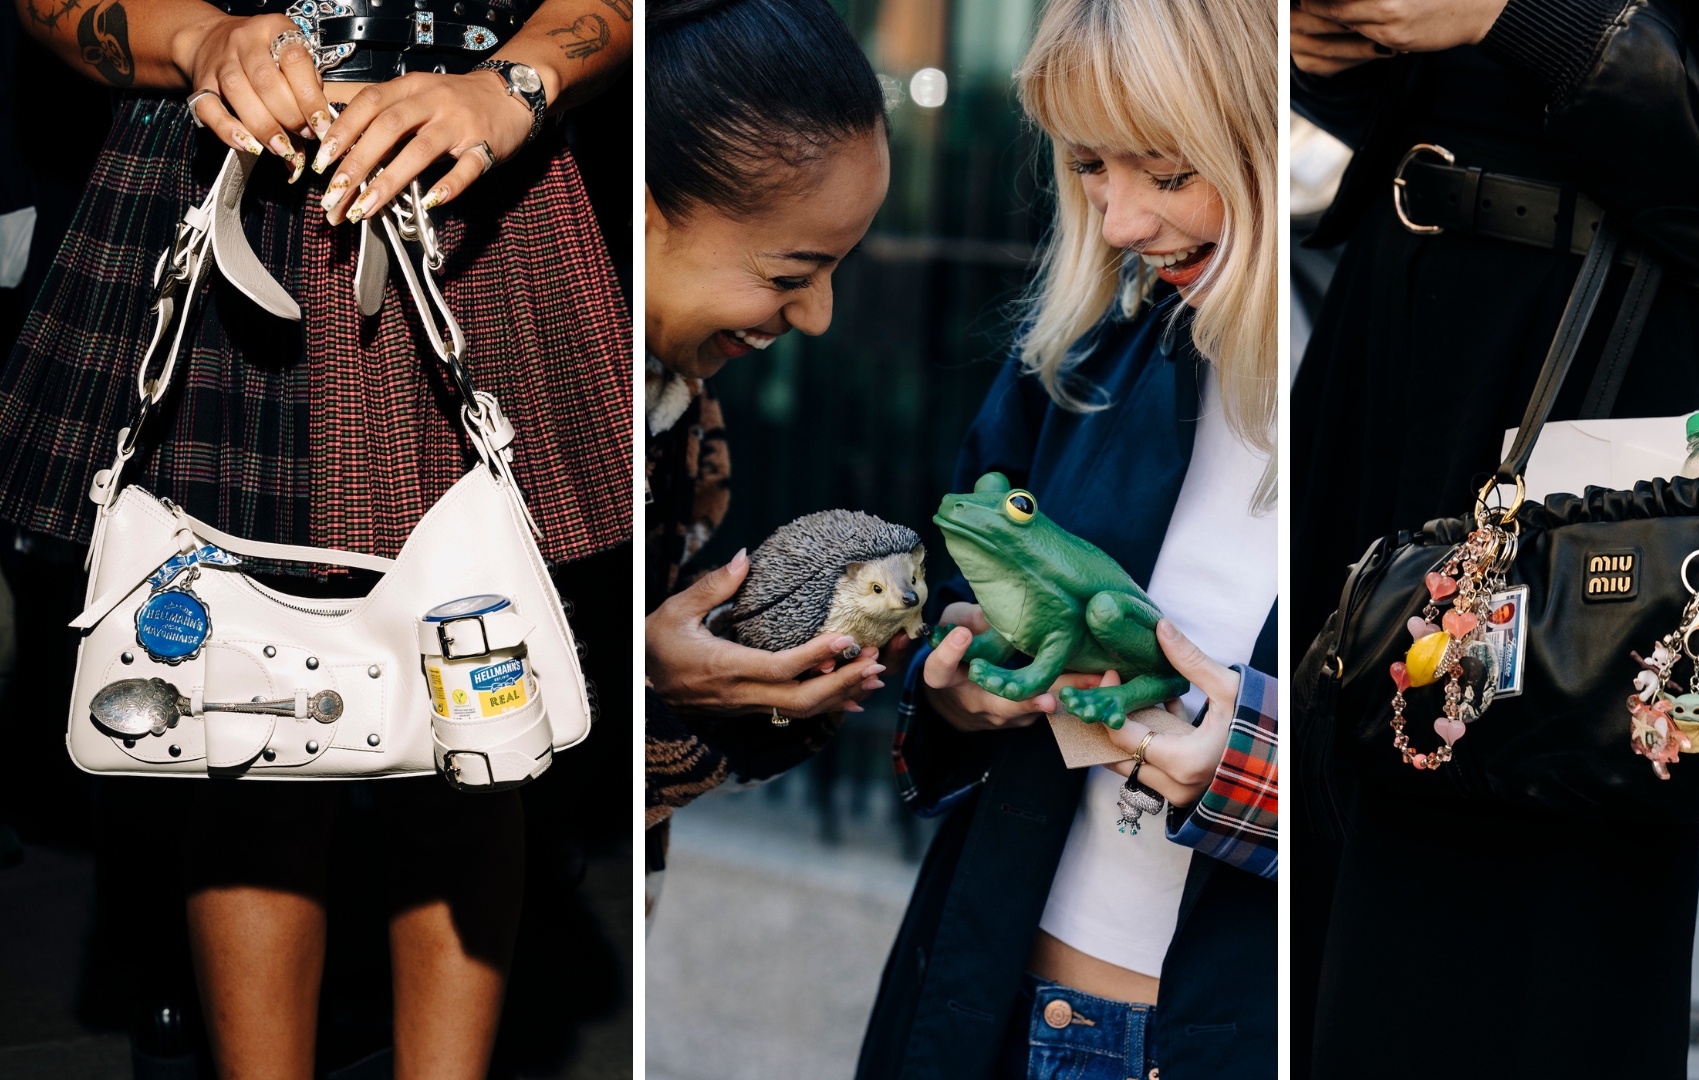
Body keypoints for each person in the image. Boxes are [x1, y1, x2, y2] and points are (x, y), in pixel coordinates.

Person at [1291, 1, 1699, 1077]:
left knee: (1504, 946)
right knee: (1312, 888)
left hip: (1593, 397)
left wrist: (1511, 12)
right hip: (1389, 342)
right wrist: (1339, 51)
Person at [4, 0, 632, 1071]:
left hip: (471, 170)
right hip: (229, 173)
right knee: (233, 728)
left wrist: (514, 83)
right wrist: (201, 40)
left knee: (479, 727)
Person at [855, 1, 1279, 1078]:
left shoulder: (1389, 394)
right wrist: (955, 681)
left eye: (1167, 172)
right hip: (999, 995)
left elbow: (1464, 753)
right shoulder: (1085, 361)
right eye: (1089, 167)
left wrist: (1249, 771)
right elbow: (951, 600)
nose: (1121, 219)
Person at [639, 0, 896, 919]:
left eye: (835, 271)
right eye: (790, 276)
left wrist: (758, 686)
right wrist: (651, 691)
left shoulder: (686, 412)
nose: (819, 316)